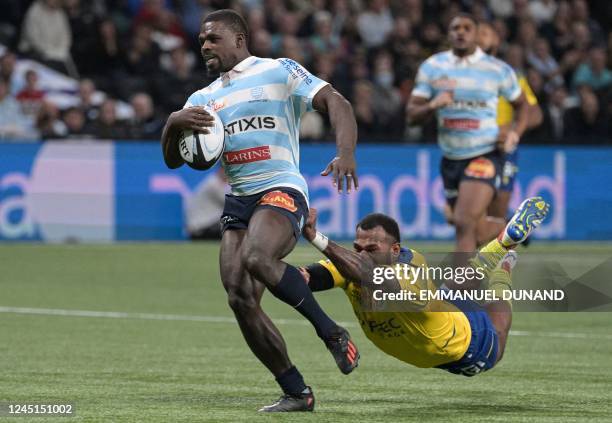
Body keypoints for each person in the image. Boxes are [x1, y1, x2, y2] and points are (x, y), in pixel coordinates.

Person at [160, 10, 360, 413]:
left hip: (282, 187)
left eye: (213, 38)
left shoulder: (278, 70)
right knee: (238, 295)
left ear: (239, 38)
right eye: (201, 40)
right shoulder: (202, 100)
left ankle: (332, 332)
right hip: (240, 199)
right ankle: (296, 391)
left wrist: (346, 153)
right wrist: (172, 123)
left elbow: (335, 102)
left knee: (256, 257)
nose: (204, 45)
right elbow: (174, 159)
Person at [299, 196, 550, 376]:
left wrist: (315, 237)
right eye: (357, 249)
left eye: (372, 249)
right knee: (453, 288)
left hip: (465, 342)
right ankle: (504, 241)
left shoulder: (407, 269)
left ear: (395, 250)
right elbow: (311, 277)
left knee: (499, 331)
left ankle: (504, 266)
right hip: (437, 309)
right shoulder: (350, 266)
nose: (362, 255)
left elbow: (369, 275)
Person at [407, 13, 529, 253]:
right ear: (449, 34)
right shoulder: (433, 67)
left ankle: (459, 288)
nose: (460, 32)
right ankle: (511, 227)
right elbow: (411, 115)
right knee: (469, 226)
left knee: (463, 222)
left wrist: (516, 132)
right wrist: (432, 105)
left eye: (466, 28)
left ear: (475, 34)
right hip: (450, 158)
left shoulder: (497, 69)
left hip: (484, 152)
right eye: (455, 28)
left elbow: (523, 106)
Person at [467, 21, 543, 246]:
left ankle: (504, 237)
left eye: (485, 33)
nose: (480, 37)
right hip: (473, 151)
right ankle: (512, 226)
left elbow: (536, 114)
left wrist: (511, 130)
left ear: (495, 43)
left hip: (503, 152)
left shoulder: (510, 77)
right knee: (472, 221)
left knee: (494, 212)